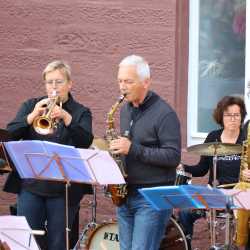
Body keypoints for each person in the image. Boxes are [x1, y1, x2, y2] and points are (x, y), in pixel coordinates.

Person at [3, 60, 93, 250]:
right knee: (27, 240)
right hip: (30, 185)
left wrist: (67, 118)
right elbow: (10, 134)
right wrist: (32, 116)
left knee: (58, 243)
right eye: (49, 82)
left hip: (64, 190)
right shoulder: (32, 105)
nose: (53, 87)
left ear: (70, 84)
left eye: (59, 82)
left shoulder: (80, 112)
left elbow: (85, 141)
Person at [110, 55, 181, 250]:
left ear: (146, 82)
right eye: (120, 81)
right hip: (125, 195)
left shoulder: (165, 114)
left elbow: (173, 157)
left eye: (128, 81)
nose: (122, 87)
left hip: (151, 197)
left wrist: (132, 149)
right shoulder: (125, 111)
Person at [178, 95, 246, 249]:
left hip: (239, 197)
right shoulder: (213, 137)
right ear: (221, 116)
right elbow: (201, 169)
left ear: (242, 117)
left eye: (237, 115)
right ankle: (186, 244)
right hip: (214, 196)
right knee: (185, 212)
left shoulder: (246, 140)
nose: (233, 119)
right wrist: (183, 167)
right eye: (228, 115)